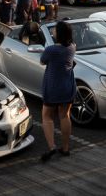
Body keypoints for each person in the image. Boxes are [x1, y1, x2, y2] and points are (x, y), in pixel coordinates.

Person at [40, 21, 75, 162]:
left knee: (47, 116)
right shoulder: (72, 47)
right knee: (65, 116)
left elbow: (42, 61)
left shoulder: (51, 50)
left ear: (59, 34)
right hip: (67, 86)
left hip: (53, 86)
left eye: (55, 30)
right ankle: (65, 148)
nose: (53, 31)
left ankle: (51, 147)